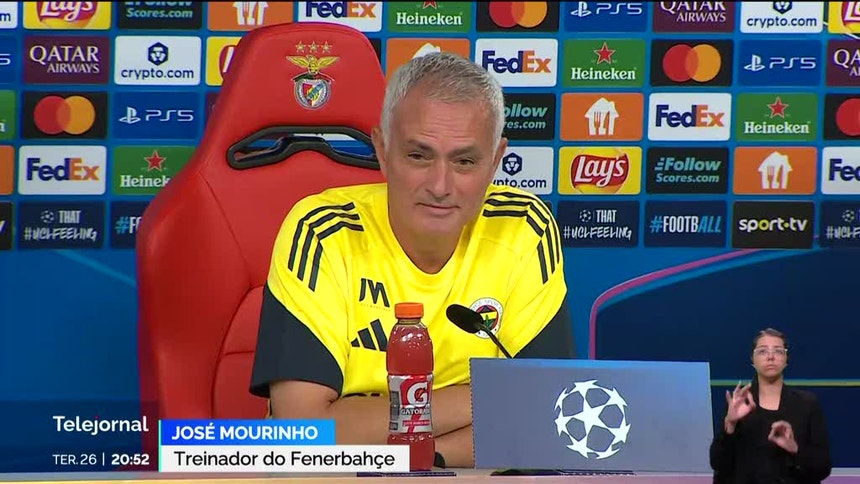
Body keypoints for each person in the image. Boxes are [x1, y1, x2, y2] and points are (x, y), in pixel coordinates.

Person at [248, 52, 575, 468]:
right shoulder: (321, 232)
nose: (440, 185)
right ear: (382, 151)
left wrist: (423, 458)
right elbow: (304, 429)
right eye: (419, 156)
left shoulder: (524, 227)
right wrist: (487, 397)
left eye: (464, 161)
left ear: (495, 162)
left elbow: (549, 413)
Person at [710, 328, 831, 484]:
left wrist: (795, 449)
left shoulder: (807, 404)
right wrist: (730, 424)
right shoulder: (738, 402)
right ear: (752, 360)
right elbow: (718, 463)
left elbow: (823, 468)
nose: (770, 357)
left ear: (786, 359)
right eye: (762, 351)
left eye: (778, 351)